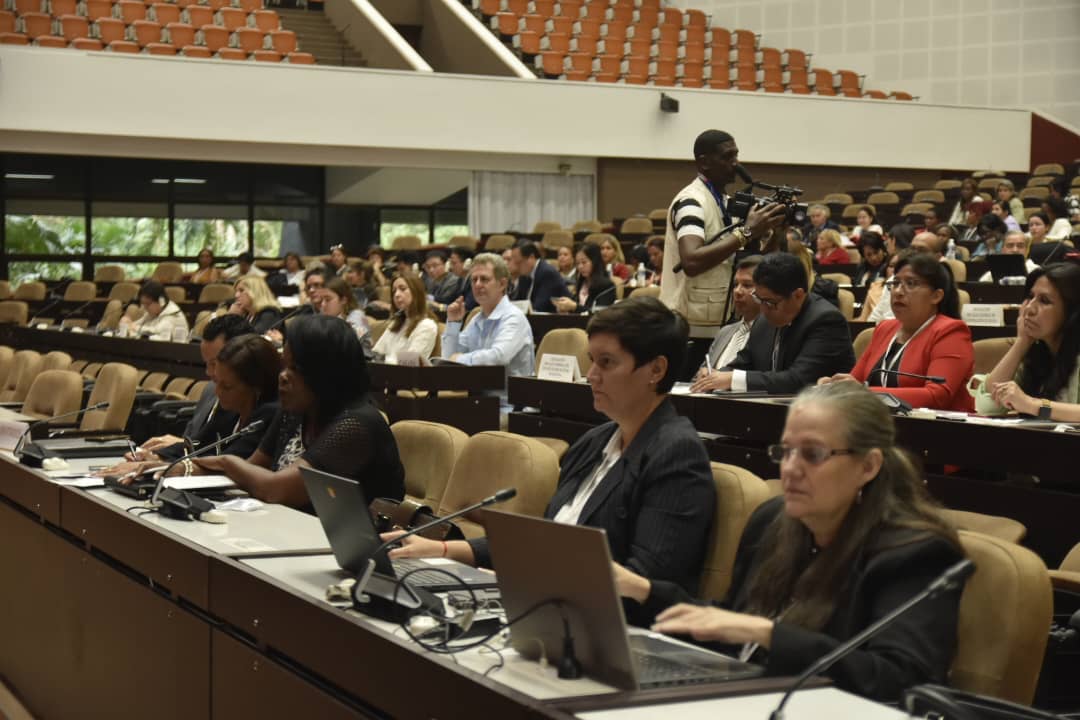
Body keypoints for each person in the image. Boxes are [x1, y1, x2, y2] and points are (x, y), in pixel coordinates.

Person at [616, 381, 967, 702]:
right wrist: (644, 589)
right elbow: (734, 628)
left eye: (812, 454)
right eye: (785, 451)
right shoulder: (773, 520)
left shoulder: (916, 553)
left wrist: (769, 634)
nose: (790, 468)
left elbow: (899, 679)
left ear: (868, 466)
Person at [386, 297, 716, 595]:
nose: (591, 376)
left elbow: (643, 584)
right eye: (591, 361)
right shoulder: (594, 441)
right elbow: (541, 542)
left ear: (656, 370)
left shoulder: (675, 454)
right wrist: (440, 550)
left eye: (607, 362)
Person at [194, 315, 406, 509]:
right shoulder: (295, 410)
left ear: (325, 371)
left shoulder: (357, 424)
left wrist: (225, 462)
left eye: (295, 368)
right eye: (284, 366)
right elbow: (250, 471)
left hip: (352, 545)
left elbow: (277, 490)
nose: (283, 376)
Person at [99, 315, 255, 477]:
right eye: (206, 364)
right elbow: (203, 444)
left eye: (214, 364)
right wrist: (159, 457)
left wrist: (165, 465)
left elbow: (228, 459)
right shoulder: (212, 390)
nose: (209, 373)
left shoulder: (263, 405)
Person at [660, 129, 786, 326]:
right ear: (704, 163)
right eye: (727, 157)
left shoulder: (725, 202)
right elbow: (691, 262)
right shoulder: (691, 202)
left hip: (721, 318)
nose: (735, 163)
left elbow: (748, 261)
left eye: (736, 155)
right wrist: (746, 232)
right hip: (690, 324)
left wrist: (776, 231)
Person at [820, 253, 973, 411]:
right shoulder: (884, 329)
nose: (898, 291)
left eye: (911, 283)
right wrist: (835, 387)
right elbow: (855, 382)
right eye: (895, 283)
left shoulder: (950, 332)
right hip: (878, 423)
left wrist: (864, 393)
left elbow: (937, 395)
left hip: (938, 430)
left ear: (936, 296)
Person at [704, 253, 855, 393]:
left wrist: (732, 379)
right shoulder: (764, 320)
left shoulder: (826, 321)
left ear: (797, 295)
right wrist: (716, 376)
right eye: (759, 299)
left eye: (770, 302)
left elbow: (798, 380)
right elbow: (744, 362)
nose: (763, 309)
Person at [139, 334, 281, 482]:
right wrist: (156, 455)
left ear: (256, 387)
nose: (217, 392)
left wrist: (173, 467)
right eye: (217, 382)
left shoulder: (270, 414)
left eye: (226, 386)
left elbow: (231, 462)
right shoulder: (229, 406)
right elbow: (199, 444)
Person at [977, 263, 1080, 421]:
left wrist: (1032, 405)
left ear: (1072, 312)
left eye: (1044, 301)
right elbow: (987, 406)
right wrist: (1022, 342)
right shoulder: (1039, 353)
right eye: (1030, 297)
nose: (1029, 309)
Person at [442, 252, 535, 377]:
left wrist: (460, 359)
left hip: (510, 395)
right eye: (474, 280)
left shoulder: (513, 317)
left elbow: (499, 357)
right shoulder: (476, 319)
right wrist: (453, 323)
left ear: (502, 284)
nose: (477, 284)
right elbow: (449, 357)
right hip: (478, 392)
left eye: (484, 279)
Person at [692, 255, 763, 391]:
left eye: (747, 285)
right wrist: (703, 374)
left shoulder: (772, 333)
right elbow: (698, 377)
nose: (737, 291)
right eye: (736, 284)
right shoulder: (725, 331)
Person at [371, 272, 439, 361]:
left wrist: (382, 360)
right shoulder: (396, 323)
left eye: (402, 289)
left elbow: (408, 364)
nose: (396, 295)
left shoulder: (427, 325)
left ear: (416, 292)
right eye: (394, 291)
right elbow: (377, 353)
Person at [552, 243, 616, 314]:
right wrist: (566, 309)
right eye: (578, 263)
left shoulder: (607, 286)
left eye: (584, 262)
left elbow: (599, 314)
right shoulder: (582, 282)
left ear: (595, 262)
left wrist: (574, 307)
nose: (580, 267)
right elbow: (578, 309)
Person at [509, 242, 570, 313]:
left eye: (518, 263)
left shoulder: (547, 273)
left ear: (531, 257)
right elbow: (518, 302)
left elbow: (539, 307)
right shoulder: (524, 275)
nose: (516, 267)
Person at [123, 280, 189, 341]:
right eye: (143, 304)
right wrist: (126, 324)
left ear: (161, 301)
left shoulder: (173, 314)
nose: (145, 307)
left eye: (148, 304)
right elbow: (137, 325)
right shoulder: (153, 312)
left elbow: (157, 331)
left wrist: (133, 327)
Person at [320, 276, 370, 343]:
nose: (323, 304)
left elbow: (351, 344)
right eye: (321, 300)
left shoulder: (357, 315)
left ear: (343, 300)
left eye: (328, 299)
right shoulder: (325, 319)